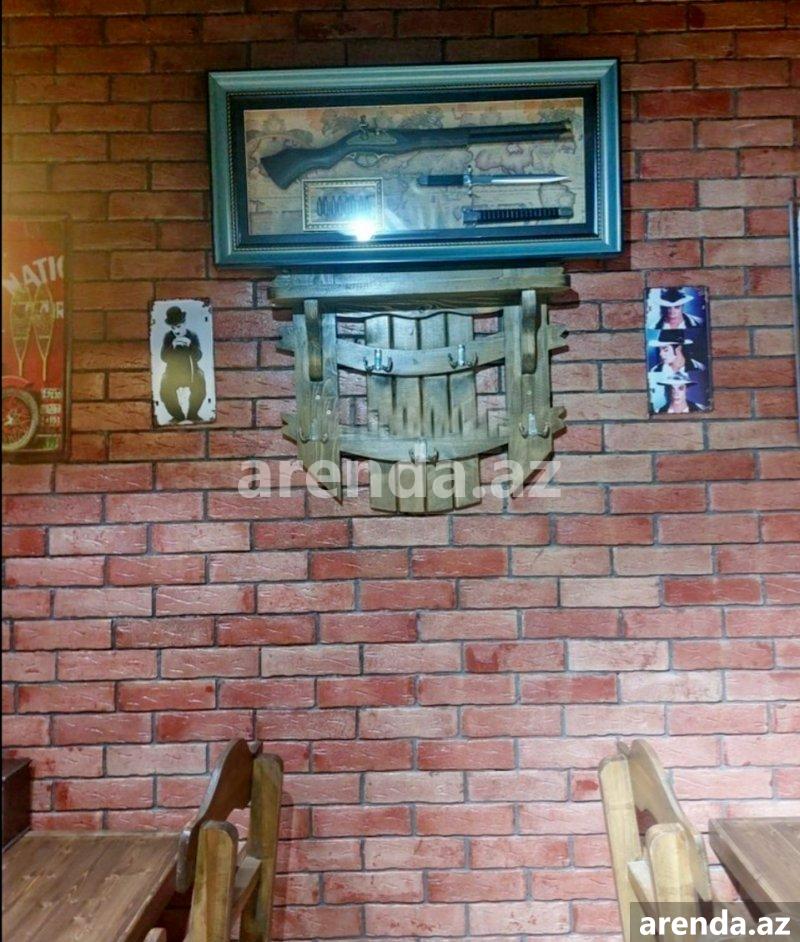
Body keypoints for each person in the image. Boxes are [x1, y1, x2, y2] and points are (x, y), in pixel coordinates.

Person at [159, 305, 206, 423]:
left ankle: (193, 414)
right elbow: (163, 357)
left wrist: (190, 345)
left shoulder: (193, 335)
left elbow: (199, 356)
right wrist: (172, 346)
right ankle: (177, 416)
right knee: (164, 387)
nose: (176, 331)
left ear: (184, 323)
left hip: (191, 372)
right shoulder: (168, 337)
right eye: (173, 328)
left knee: (201, 379)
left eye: (179, 326)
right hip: (173, 373)